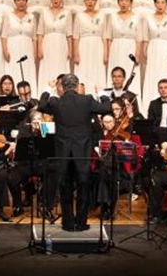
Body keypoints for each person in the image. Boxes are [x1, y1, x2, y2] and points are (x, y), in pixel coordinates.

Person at [37, 73, 112, 231]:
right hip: (82, 152)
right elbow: (106, 108)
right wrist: (102, 93)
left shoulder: (56, 101)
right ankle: (81, 222)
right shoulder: (87, 100)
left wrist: (48, 89)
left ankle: (68, 223)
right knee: (83, 186)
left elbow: (41, 105)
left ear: (62, 87)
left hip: (63, 152)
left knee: (65, 187)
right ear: (78, 87)